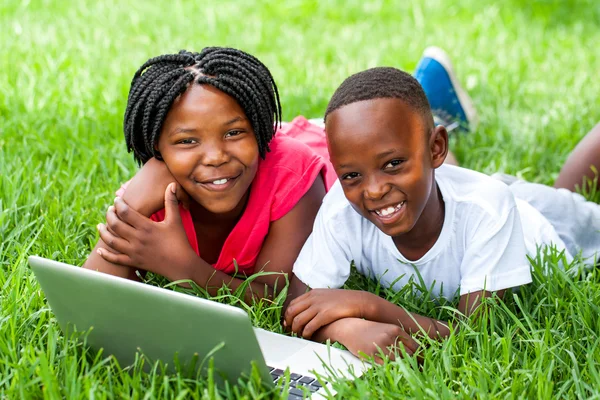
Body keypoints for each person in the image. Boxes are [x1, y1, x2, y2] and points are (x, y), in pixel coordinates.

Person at [283, 64, 600, 362]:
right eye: (352, 175)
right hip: (446, 191)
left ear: (437, 149)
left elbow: (474, 336)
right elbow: (296, 310)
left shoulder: (489, 210)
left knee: (572, 194)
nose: (374, 190)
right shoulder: (341, 208)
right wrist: (347, 329)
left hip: (546, 223)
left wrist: (367, 306)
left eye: (393, 163)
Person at [83, 47, 337, 302]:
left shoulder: (294, 176)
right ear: (157, 148)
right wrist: (132, 206)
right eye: (187, 141)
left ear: (258, 129)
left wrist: (186, 268)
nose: (216, 157)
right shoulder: (152, 193)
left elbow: (277, 297)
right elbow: (88, 297)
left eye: (234, 133)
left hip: (318, 144)